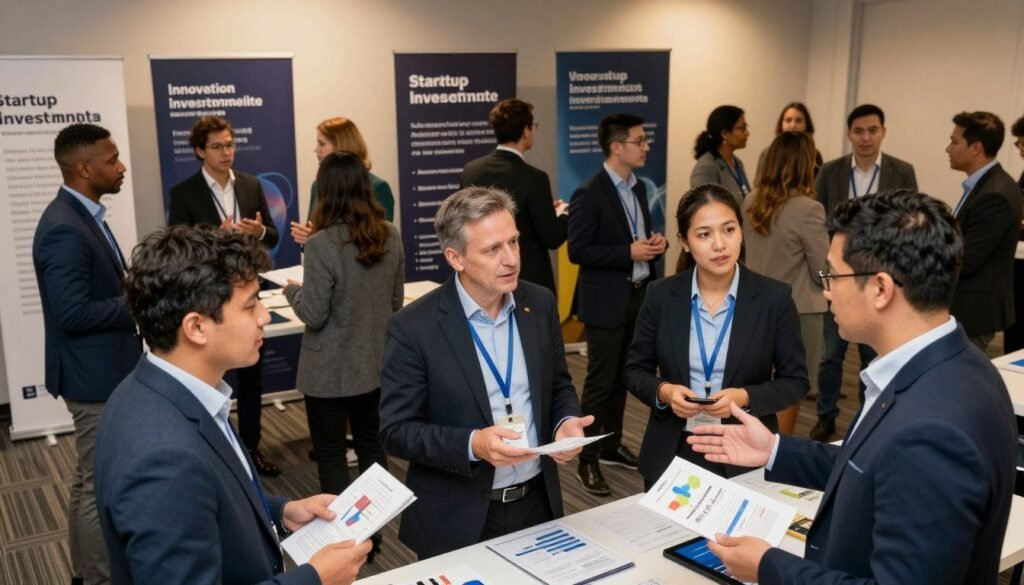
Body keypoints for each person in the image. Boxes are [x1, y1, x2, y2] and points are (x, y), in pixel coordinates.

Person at [687, 191, 1016, 585]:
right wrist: (774, 449)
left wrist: (769, 567)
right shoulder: (952, 363)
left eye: (832, 275)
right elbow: (871, 468)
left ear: (880, 288)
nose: (826, 291)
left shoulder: (931, 432)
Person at [95, 225, 372, 585]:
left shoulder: (157, 388)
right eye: (250, 304)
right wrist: (315, 580)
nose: (264, 316)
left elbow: (208, 500)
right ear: (196, 327)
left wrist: (282, 512)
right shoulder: (164, 458)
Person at [378, 187, 592, 559]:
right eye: (493, 249)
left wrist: (565, 421)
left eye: (513, 242)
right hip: (457, 516)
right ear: (455, 258)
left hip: (536, 504)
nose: (510, 259)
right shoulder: (414, 327)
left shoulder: (538, 303)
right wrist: (473, 444)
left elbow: (558, 384)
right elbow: (396, 432)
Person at [623, 183, 807, 487]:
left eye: (729, 230)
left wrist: (744, 397)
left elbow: (796, 382)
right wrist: (666, 392)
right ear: (684, 242)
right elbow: (634, 370)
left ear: (741, 232)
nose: (720, 244)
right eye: (704, 234)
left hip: (744, 449)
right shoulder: (661, 295)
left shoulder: (774, 298)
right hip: (674, 449)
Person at [33, 123, 142, 585]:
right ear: (84, 168)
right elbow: (72, 312)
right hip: (94, 378)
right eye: (111, 159)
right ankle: (100, 579)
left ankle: (84, 574)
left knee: (87, 481)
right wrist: (138, 300)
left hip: (98, 371)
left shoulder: (81, 216)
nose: (120, 167)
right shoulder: (65, 228)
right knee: (101, 488)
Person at [283, 151, 403, 507]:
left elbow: (314, 314)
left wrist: (292, 291)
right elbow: (395, 304)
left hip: (328, 372)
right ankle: (376, 522)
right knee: (371, 446)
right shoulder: (390, 236)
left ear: (326, 191)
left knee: (332, 453)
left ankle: (343, 535)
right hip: (375, 365)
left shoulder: (320, 245)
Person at [168, 115, 281, 476]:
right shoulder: (184, 193)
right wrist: (214, 236)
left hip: (247, 294)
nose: (226, 152)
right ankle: (211, 451)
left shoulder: (249, 185)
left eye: (230, 144)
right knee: (207, 375)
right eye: (217, 146)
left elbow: (273, 235)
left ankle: (250, 448)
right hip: (207, 299)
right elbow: (179, 247)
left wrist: (259, 229)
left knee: (251, 376)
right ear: (200, 151)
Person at [567, 113, 668, 495]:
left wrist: (654, 247)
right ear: (616, 147)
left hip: (639, 296)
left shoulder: (638, 187)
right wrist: (628, 251)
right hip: (606, 302)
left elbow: (636, 237)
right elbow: (578, 250)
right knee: (599, 383)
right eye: (640, 141)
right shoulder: (589, 193)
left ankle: (610, 444)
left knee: (625, 378)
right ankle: (587, 460)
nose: (646, 147)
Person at [810, 104, 917, 442]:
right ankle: (826, 416)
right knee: (831, 355)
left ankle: (870, 414)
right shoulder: (830, 172)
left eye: (873, 130)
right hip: (840, 276)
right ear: (849, 134)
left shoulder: (902, 171)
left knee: (876, 353)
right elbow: (819, 223)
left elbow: (908, 223)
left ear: (883, 131)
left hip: (879, 279)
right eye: (859, 131)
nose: (866, 137)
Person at [743, 132, 827, 435]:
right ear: (806, 164)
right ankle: (773, 460)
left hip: (752, 308)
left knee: (758, 388)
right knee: (790, 387)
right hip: (799, 311)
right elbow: (822, 270)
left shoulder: (750, 201)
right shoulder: (809, 209)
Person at [461, 98, 568, 294]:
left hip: (483, 279)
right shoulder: (535, 178)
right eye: (533, 126)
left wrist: (544, 208)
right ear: (526, 131)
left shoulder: (471, 171)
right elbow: (552, 238)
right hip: (525, 282)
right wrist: (563, 214)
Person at [946, 110, 1023, 352]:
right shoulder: (985, 185)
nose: (948, 149)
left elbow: (967, 259)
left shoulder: (994, 194)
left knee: (958, 384)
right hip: (968, 308)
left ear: (976, 147)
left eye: (954, 141)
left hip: (973, 311)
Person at [291, 117, 394, 245]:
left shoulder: (377, 186)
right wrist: (308, 238)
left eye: (322, 144)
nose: (316, 149)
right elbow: (313, 241)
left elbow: (381, 243)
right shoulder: (318, 186)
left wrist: (320, 239)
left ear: (341, 147)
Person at [690, 105, 751, 203]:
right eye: (742, 128)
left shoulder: (738, 163)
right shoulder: (706, 166)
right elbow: (703, 205)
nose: (747, 133)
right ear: (725, 134)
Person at [754, 102, 823, 180]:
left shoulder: (814, 154)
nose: (793, 125)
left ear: (806, 126)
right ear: (781, 125)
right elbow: (759, 185)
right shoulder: (768, 153)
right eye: (788, 120)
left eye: (798, 121)